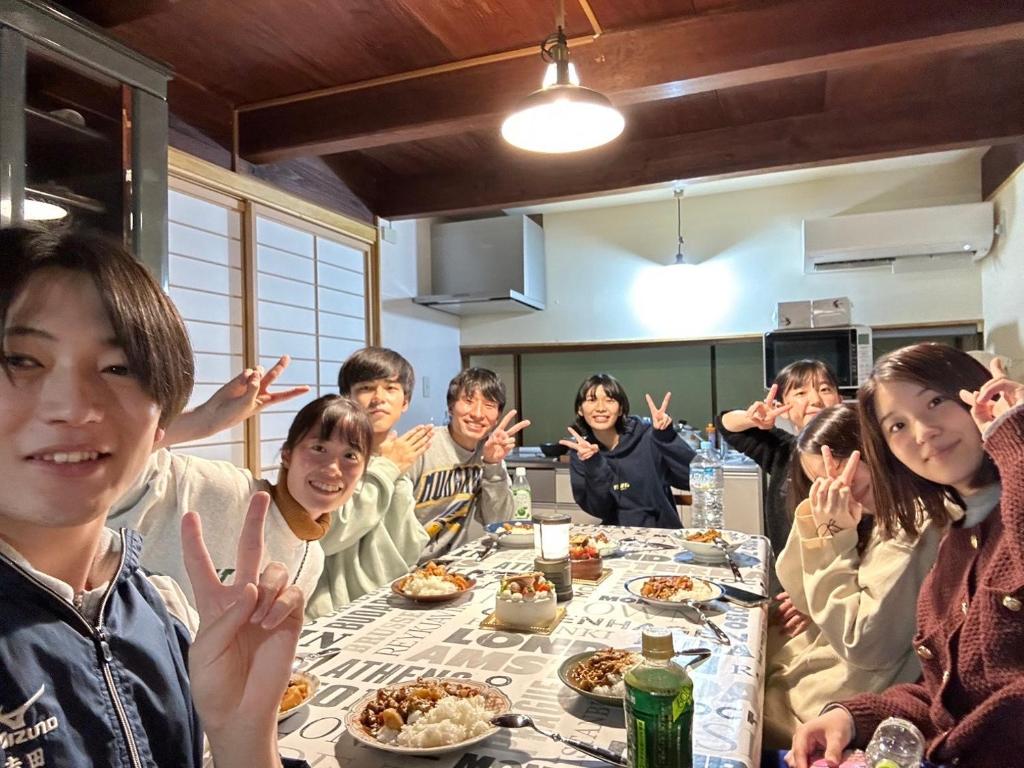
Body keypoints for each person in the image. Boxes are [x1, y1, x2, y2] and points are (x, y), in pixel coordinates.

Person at [0, 226, 302, 767]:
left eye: (119, 368)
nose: (74, 407)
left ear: (160, 421)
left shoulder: (159, 608)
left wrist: (243, 737)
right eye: (22, 360)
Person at [788, 344, 1024, 768]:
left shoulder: (940, 525)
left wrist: (1015, 439)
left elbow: (864, 644)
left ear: (980, 393)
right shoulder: (959, 539)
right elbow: (945, 697)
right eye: (897, 425)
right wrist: (853, 716)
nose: (922, 431)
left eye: (936, 401)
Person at [763, 403, 942, 748]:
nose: (837, 487)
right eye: (821, 481)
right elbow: (801, 594)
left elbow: (861, 642)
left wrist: (833, 537)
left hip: (854, 696)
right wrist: (820, 519)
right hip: (830, 676)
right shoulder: (878, 513)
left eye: (844, 471)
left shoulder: (915, 524)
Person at [111, 393, 381, 609]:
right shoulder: (227, 489)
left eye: (350, 456)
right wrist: (205, 421)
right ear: (287, 455)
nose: (333, 468)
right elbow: (124, 464)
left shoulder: (311, 559)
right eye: (318, 448)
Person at [306, 347, 431, 615]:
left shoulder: (403, 453)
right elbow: (326, 536)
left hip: (391, 602)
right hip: (332, 611)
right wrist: (387, 467)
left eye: (390, 388)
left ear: (405, 401)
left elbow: (406, 547)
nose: (378, 398)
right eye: (366, 387)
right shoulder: (325, 454)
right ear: (346, 398)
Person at [716, 360, 843, 560]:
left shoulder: (860, 454)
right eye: (801, 393)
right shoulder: (782, 450)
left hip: (840, 582)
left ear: (840, 400)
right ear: (781, 406)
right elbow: (726, 424)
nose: (816, 399)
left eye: (825, 389)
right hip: (788, 580)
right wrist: (752, 419)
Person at [410, 367, 528, 562]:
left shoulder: (489, 451)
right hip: (406, 567)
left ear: (497, 416)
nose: (478, 414)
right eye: (468, 401)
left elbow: (499, 522)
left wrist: (493, 464)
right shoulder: (423, 446)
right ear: (450, 407)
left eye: (489, 405)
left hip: (450, 565)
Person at [559, 373, 695, 528]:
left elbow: (691, 480)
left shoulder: (648, 438)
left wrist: (666, 437)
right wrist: (594, 463)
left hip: (661, 534)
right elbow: (599, 509)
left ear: (621, 408)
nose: (601, 408)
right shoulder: (582, 454)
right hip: (616, 539)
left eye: (609, 400)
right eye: (592, 400)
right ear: (580, 410)